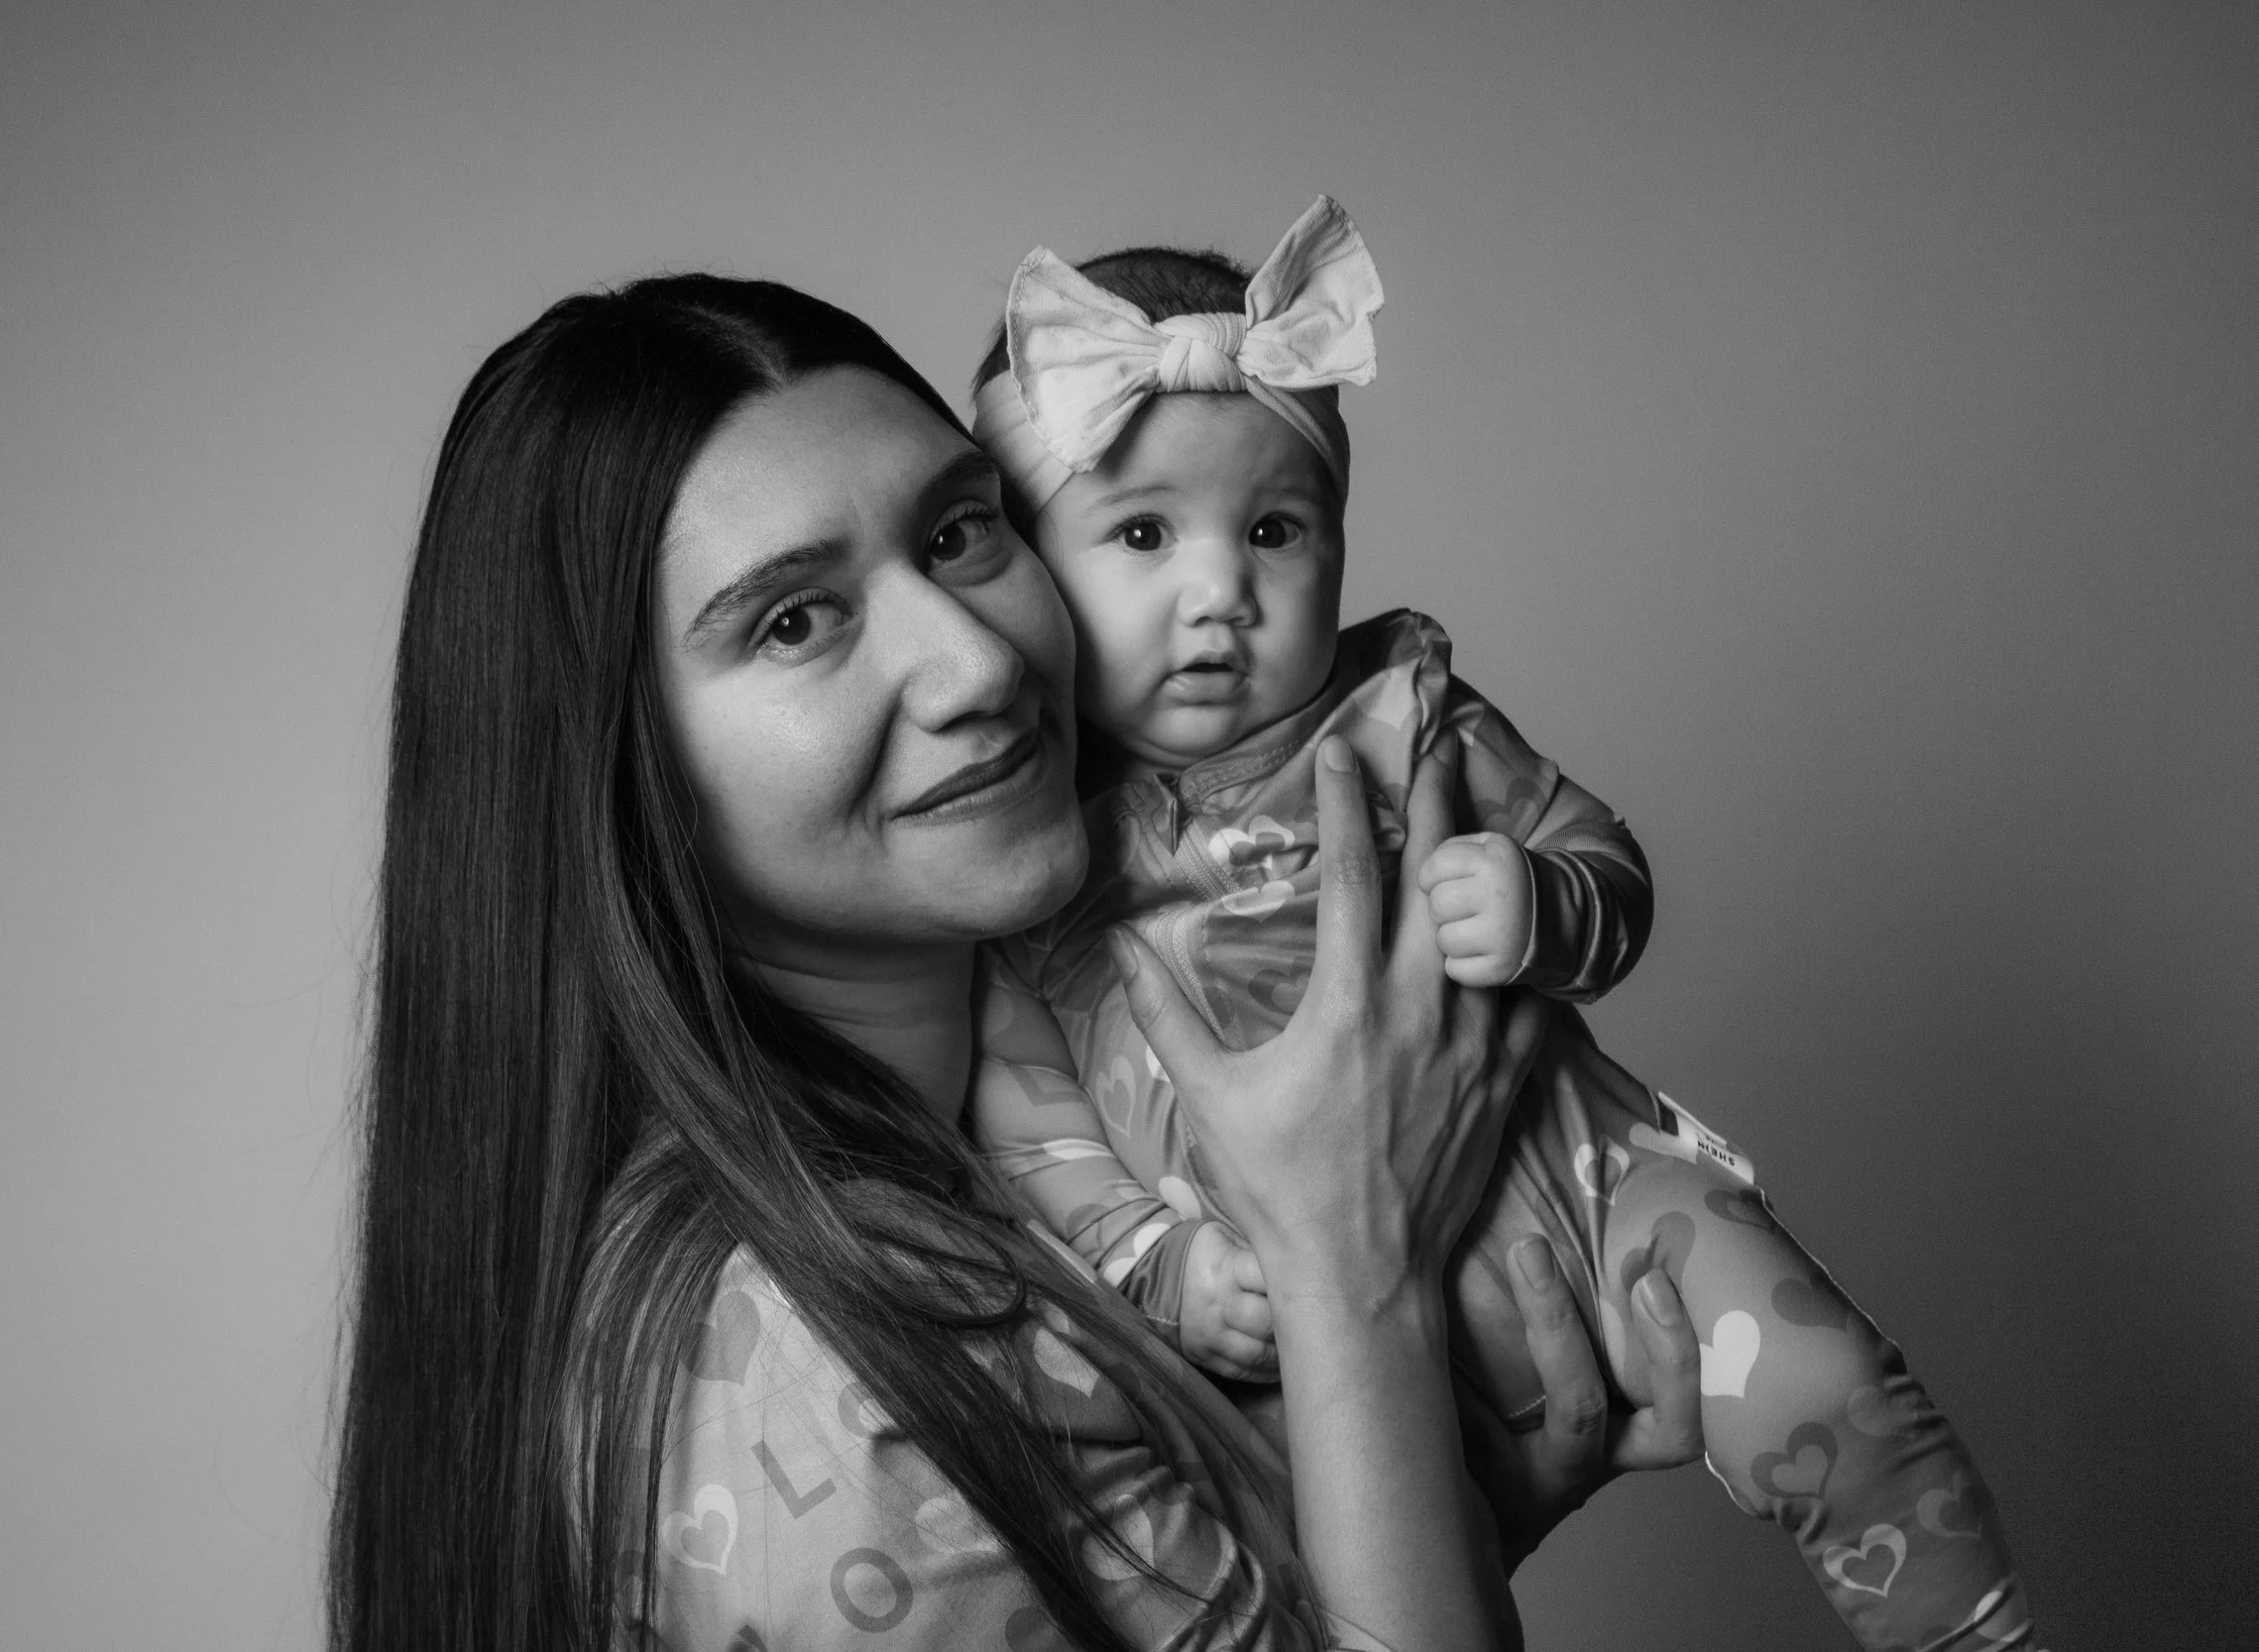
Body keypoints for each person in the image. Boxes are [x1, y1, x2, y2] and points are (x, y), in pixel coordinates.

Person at [329, 272, 1709, 1652]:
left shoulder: (1025, 1174)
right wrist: (1356, 1276)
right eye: (793, 620)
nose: (977, 663)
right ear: (616, 777)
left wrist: (1431, 1503)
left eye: (958, 533)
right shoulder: (815, 1376)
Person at [964, 199, 2041, 1652]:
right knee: (1291, 1576)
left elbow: (1609, 863)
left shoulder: (1409, 717)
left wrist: (1545, 902)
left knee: (1833, 1400)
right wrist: (1159, 1263)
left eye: (1275, 529)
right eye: (1143, 533)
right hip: (1320, 1342)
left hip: (1592, 1196)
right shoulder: (1035, 849)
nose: (1220, 591)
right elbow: (1029, 1120)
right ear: (1031, 575)